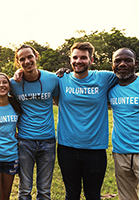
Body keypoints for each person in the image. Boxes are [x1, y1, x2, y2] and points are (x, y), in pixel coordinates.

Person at [55, 42, 117, 199]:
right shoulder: (61, 79)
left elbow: (129, 75)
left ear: (92, 60)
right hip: (66, 148)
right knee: (72, 193)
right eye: (75, 57)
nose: (78, 61)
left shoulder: (104, 77)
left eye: (83, 57)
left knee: (93, 194)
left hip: (95, 149)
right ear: (70, 59)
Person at [10, 45, 59, 200]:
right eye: (22, 59)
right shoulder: (13, 83)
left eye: (29, 57)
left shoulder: (52, 79)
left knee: (44, 191)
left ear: (36, 56)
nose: (27, 61)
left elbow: (60, 101)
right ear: (18, 62)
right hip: (25, 141)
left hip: (48, 140)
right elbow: (1, 96)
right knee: (24, 190)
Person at [108, 48, 139, 200]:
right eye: (118, 61)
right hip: (120, 152)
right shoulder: (110, 87)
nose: (122, 64)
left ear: (136, 64)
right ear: (112, 65)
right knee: (127, 197)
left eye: (128, 60)